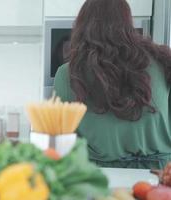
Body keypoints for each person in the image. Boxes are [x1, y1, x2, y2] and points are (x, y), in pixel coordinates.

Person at [54, 0, 171, 169]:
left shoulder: (67, 74)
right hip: (161, 177)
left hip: (99, 178)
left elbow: (63, 143)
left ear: (82, 26)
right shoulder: (164, 62)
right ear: (128, 23)